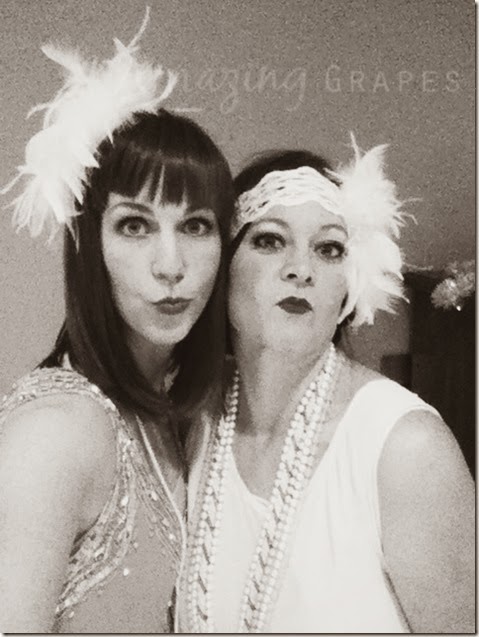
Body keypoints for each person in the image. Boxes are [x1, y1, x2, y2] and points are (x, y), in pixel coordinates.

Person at [179, 143, 475, 633]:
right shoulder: (190, 423)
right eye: (270, 240)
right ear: (223, 266)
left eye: (329, 248)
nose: (302, 269)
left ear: (350, 286)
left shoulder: (406, 447)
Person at [0, 13, 234, 634]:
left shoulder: (178, 412)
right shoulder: (52, 434)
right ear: (89, 247)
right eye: (134, 225)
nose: (171, 265)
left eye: (196, 226)